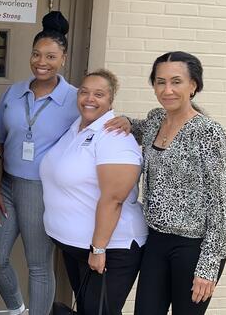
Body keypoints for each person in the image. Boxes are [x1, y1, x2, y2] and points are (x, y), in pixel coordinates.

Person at [105, 51, 226, 315]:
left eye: (176, 81)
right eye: (160, 82)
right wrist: (126, 121)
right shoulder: (155, 120)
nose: (167, 90)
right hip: (156, 242)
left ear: (193, 85)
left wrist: (208, 266)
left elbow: (220, 206)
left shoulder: (208, 132)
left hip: (193, 248)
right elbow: (139, 128)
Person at [0, 11, 78, 315]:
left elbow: (99, 133)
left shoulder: (76, 100)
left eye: (51, 56)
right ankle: (18, 309)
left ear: (63, 58)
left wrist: (125, 122)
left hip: (40, 191)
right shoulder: (14, 92)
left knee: (38, 265)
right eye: (36, 54)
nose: (42, 61)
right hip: (7, 185)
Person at [40, 69, 146, 315]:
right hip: (76, 246)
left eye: (99, 94)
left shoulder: (114, 137)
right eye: (84, 92)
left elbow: (114, 198)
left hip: (110, 249)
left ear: (111, 100)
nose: (89, 98)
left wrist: (98, 250)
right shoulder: (76, 127)